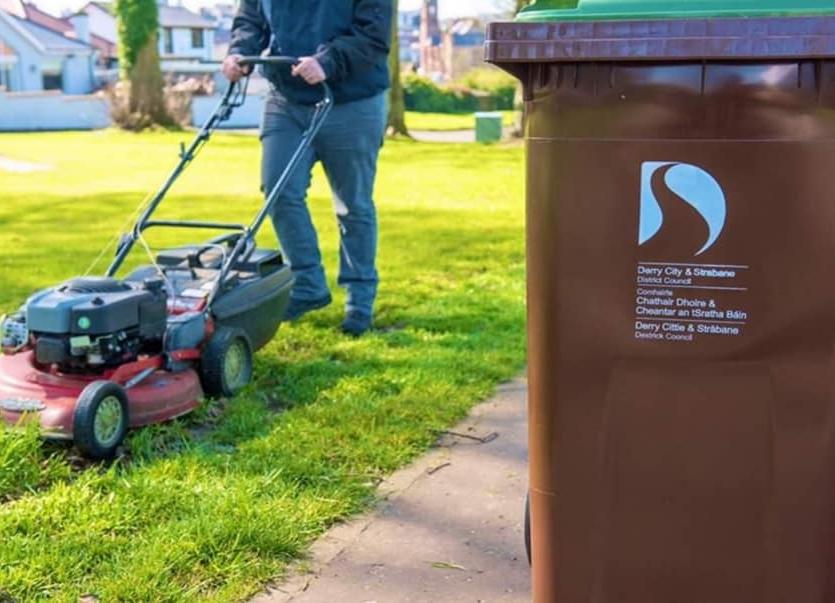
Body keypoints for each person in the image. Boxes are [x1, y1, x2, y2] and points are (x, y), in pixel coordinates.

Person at [223, 0, 393, 336]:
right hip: (285, 99)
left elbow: (373, 36)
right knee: (279, 191)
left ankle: (360, 302)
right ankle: (307, 284)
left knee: (353, 205)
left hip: (351, 101)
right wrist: (240, 52)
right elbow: (250, 20)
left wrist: (328, 61)